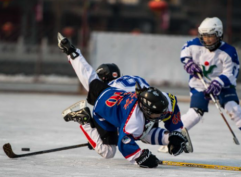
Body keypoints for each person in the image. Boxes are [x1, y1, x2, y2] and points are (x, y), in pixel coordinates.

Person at [57, 33, 192, 168]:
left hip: (133, 108)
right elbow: (126, 139)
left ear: (103, 78)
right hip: (117, 111)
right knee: (108, 151)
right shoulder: (156, 95)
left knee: (136, 133)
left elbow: (86, 72)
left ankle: (96, 133)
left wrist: (71, 52)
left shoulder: (104, 88)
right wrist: (175, 130)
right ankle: (85, 120)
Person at [179, 17, 241, 156]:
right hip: (200, 84)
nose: (207, 40)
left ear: (219, 35)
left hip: (224, 85)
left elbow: (231, 73)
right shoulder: (193, 45)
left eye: (211, 36)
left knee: (233, 108)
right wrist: (188, 63)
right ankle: (174, 133)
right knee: (195, 113)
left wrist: (219, 82)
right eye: (204, 36)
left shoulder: (229, 51)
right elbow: (184, 53)